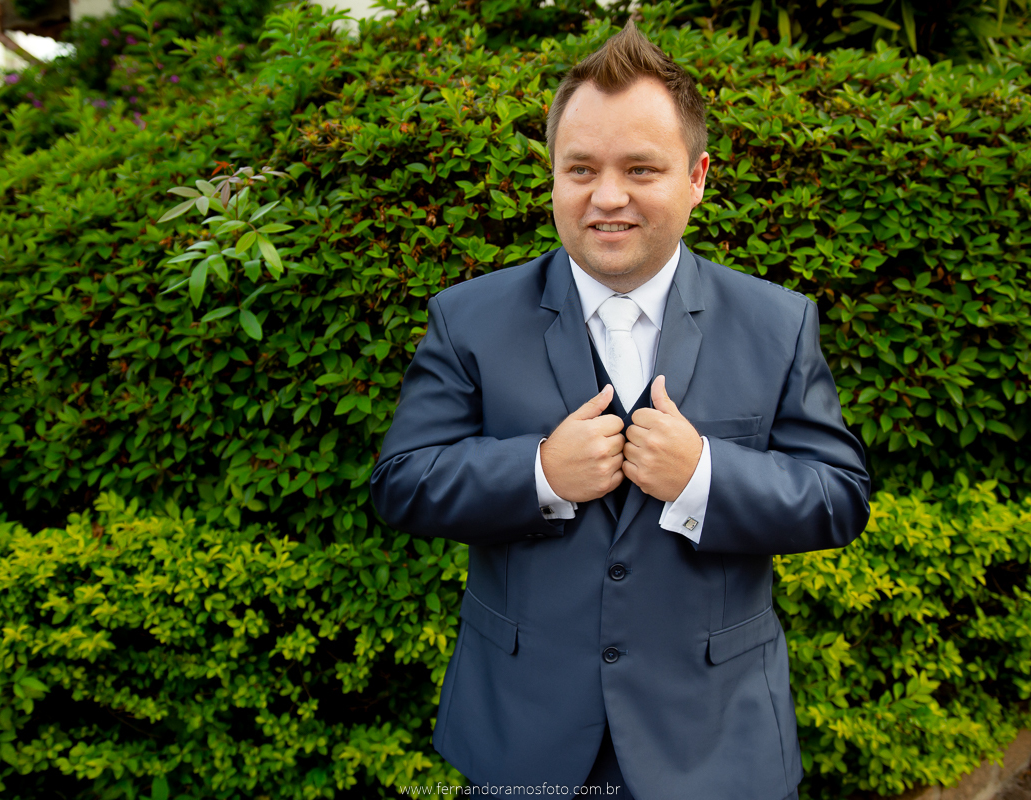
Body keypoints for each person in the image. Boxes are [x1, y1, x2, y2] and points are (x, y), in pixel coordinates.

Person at [369, 21, 870, 800]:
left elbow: (839, 497)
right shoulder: (468, 319)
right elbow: (402, 482)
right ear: (552, 175)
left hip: (714, 748)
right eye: (581, 169)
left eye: (641, 168)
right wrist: (538, 473)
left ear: (698, 176)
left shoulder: (777, 323)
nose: (608, 197)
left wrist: (704, 476)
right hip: (523, 743)